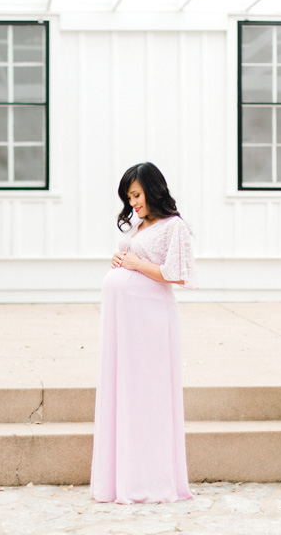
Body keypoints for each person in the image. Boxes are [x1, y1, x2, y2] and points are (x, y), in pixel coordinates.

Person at [90, 161, 199, 504]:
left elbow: (177, 274)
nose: (132, 203)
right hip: (125, 321)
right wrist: (120, 260)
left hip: (149, 322)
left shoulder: (174, 226)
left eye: (136, 195)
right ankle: (121, 478)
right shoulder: (140, 224)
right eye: (128, 197)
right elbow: (136, 261)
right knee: (124, 391)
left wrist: (134, 264)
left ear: (152, 189)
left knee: (146, 393)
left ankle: (148, 481)